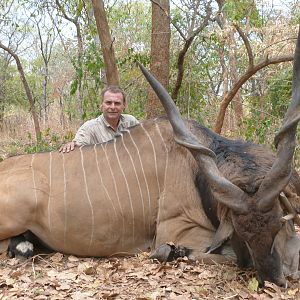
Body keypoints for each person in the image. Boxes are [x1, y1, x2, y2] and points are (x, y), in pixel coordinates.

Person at [59, 86, 139, 153]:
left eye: (117, 103)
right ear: (101, 105)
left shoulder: (131, 122)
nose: (113, 107)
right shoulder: (90, 127)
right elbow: (78, 144)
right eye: (108, 103)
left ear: (124, 106)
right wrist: (72, 144)